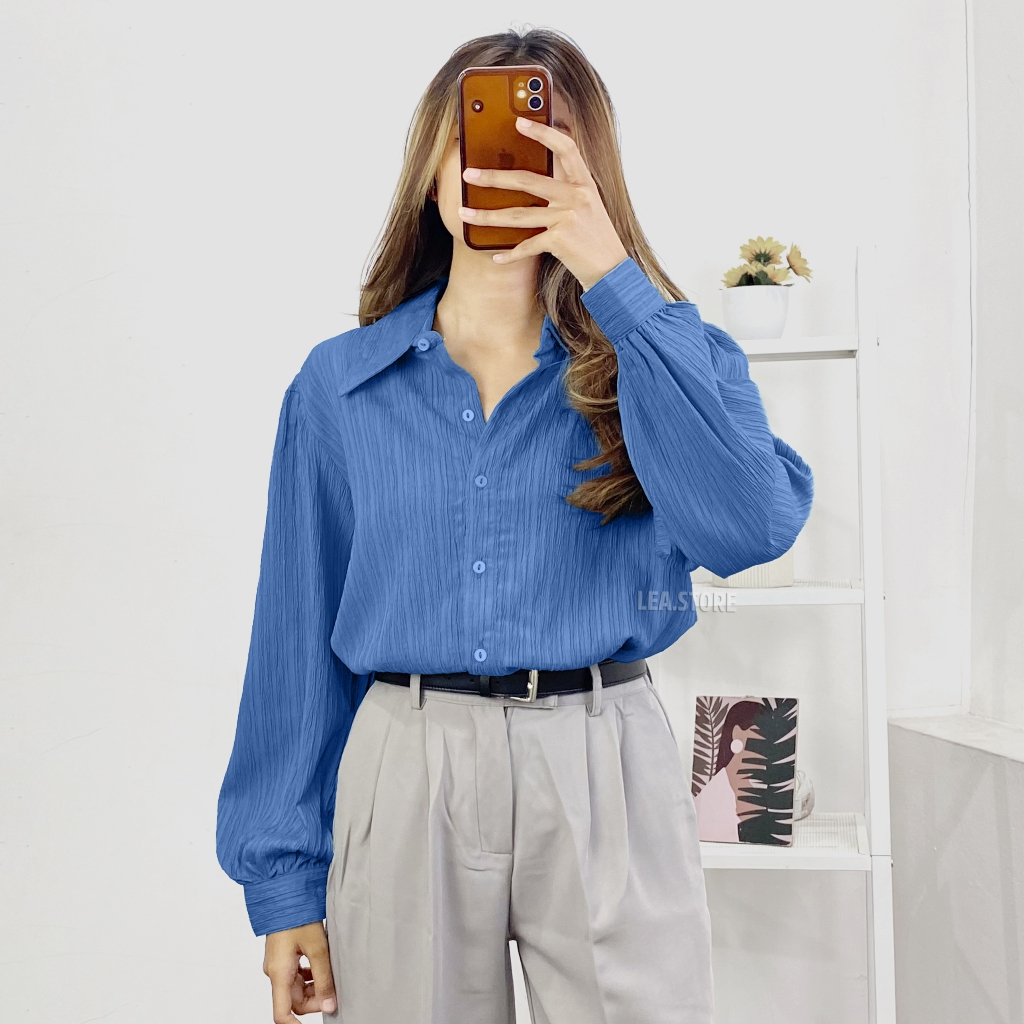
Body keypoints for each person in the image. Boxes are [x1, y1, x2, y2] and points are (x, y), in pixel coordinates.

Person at [216, 27, 813, 1024]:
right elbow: (295, 640)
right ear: (430, 168)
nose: (499, 164)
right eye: (475, 136)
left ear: (589, 172)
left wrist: (611, 273)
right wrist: (285, 887)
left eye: (543, 142)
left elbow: (751, 525)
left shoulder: (664, 357)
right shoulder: (340, 386)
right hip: (405, 763)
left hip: (603, 758)